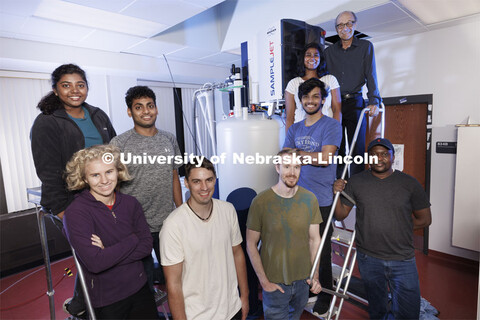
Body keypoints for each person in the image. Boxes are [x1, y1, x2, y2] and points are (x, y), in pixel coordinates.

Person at [31, 63, 116, 318]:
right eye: (66, 85)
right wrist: (63, 211)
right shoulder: (47, 122)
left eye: (80, 84)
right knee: (94, 250)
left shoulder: (98, 115)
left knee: (109, 249)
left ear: (87, 87)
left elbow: (113, 154)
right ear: (56, 90)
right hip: (71, 200)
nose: (74, 91)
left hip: (103, 196)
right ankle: (85, 307)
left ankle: (85, 304)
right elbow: (47, 171)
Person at [333, 138, 432, 319]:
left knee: (408, 311)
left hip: (402, 258)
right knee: (377, 308)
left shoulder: (409, 183)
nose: (379, 158)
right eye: (373, 155)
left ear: (393, 157)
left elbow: (425, 219)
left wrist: (398, 227)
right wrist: (336, 194)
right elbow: (340, 215)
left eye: (384, 154)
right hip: (368, 257)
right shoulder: (356, 181)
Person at [63, 144, 158, 319]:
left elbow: (146, 246)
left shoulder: (131, 203)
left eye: (109, 172)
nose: (104, 180)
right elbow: (96, 263)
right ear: (84, 178)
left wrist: (107, 252)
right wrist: (131, 240)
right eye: (95, 175)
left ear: (118, 171)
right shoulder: (76, 213)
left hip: (140, 288)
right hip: (106, 298)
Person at [110, 85, 182, 297]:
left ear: (157, 109)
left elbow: (174, 177)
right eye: (138, 107)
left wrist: (181, 211)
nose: (146, 111)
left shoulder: (169, 139)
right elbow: (113, 185)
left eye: (150, 105)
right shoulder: (119, 143)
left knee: (176, 278)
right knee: (143, 283)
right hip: (134, 225)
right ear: (129, 112)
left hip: (167, 221)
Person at [160, 158, 249, 320]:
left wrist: (245, 296)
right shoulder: (173, 225)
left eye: (209, 180)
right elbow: (173, 285)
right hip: (198, 315)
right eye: (196, 181)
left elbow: (237, 254)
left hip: (232, 309)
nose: (204, 187)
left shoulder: (228, 210)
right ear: (186, 183)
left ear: (215, 179)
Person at [283, 78, 342, 317]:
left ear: (323, 100)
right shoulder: (294, 129)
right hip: (296, 198)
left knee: (322, 250)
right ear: (300, 101)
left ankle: (325, 292)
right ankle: (308, 287)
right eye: (306, 97)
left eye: (316, 97)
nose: (310, 101)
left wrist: (299, 154)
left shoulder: (331, 126)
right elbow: (287, 159)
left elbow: (325, 158)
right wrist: (305, 155)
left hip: (321, 198)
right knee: (301, 247)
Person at [246, 148, 323, 320]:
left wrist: (315, 275)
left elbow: (314, 240)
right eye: (287, 166)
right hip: (275, 283)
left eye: (297, 167)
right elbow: (251, 244)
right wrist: (264, 281)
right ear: (277, 168)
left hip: (303, 281)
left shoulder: (310, 199)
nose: (292, 172)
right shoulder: (261, 201)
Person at [324, 11, 381, 176]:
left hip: (355, 102)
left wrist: (374, 101)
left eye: (348, 23)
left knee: (357, 147)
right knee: (337, 146)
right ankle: (339, 186)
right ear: (336, 29)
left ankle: (357, 186)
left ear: (355, 25)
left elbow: (371, 75)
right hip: (334, 104)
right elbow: (324, 79)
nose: (344, 28)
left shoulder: (365, 47)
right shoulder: (329, 52)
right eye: (340, 25)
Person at [285, 42, 342, 133]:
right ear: (303, 58)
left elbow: (337, 111)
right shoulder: (293, 83)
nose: (312, 58)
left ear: (320, 59)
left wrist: (335, 133)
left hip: (325, 131)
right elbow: (289, 117)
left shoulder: (330, 80)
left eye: (316, 55)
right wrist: (289, 143)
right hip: (301, 133)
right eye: (308, 55)